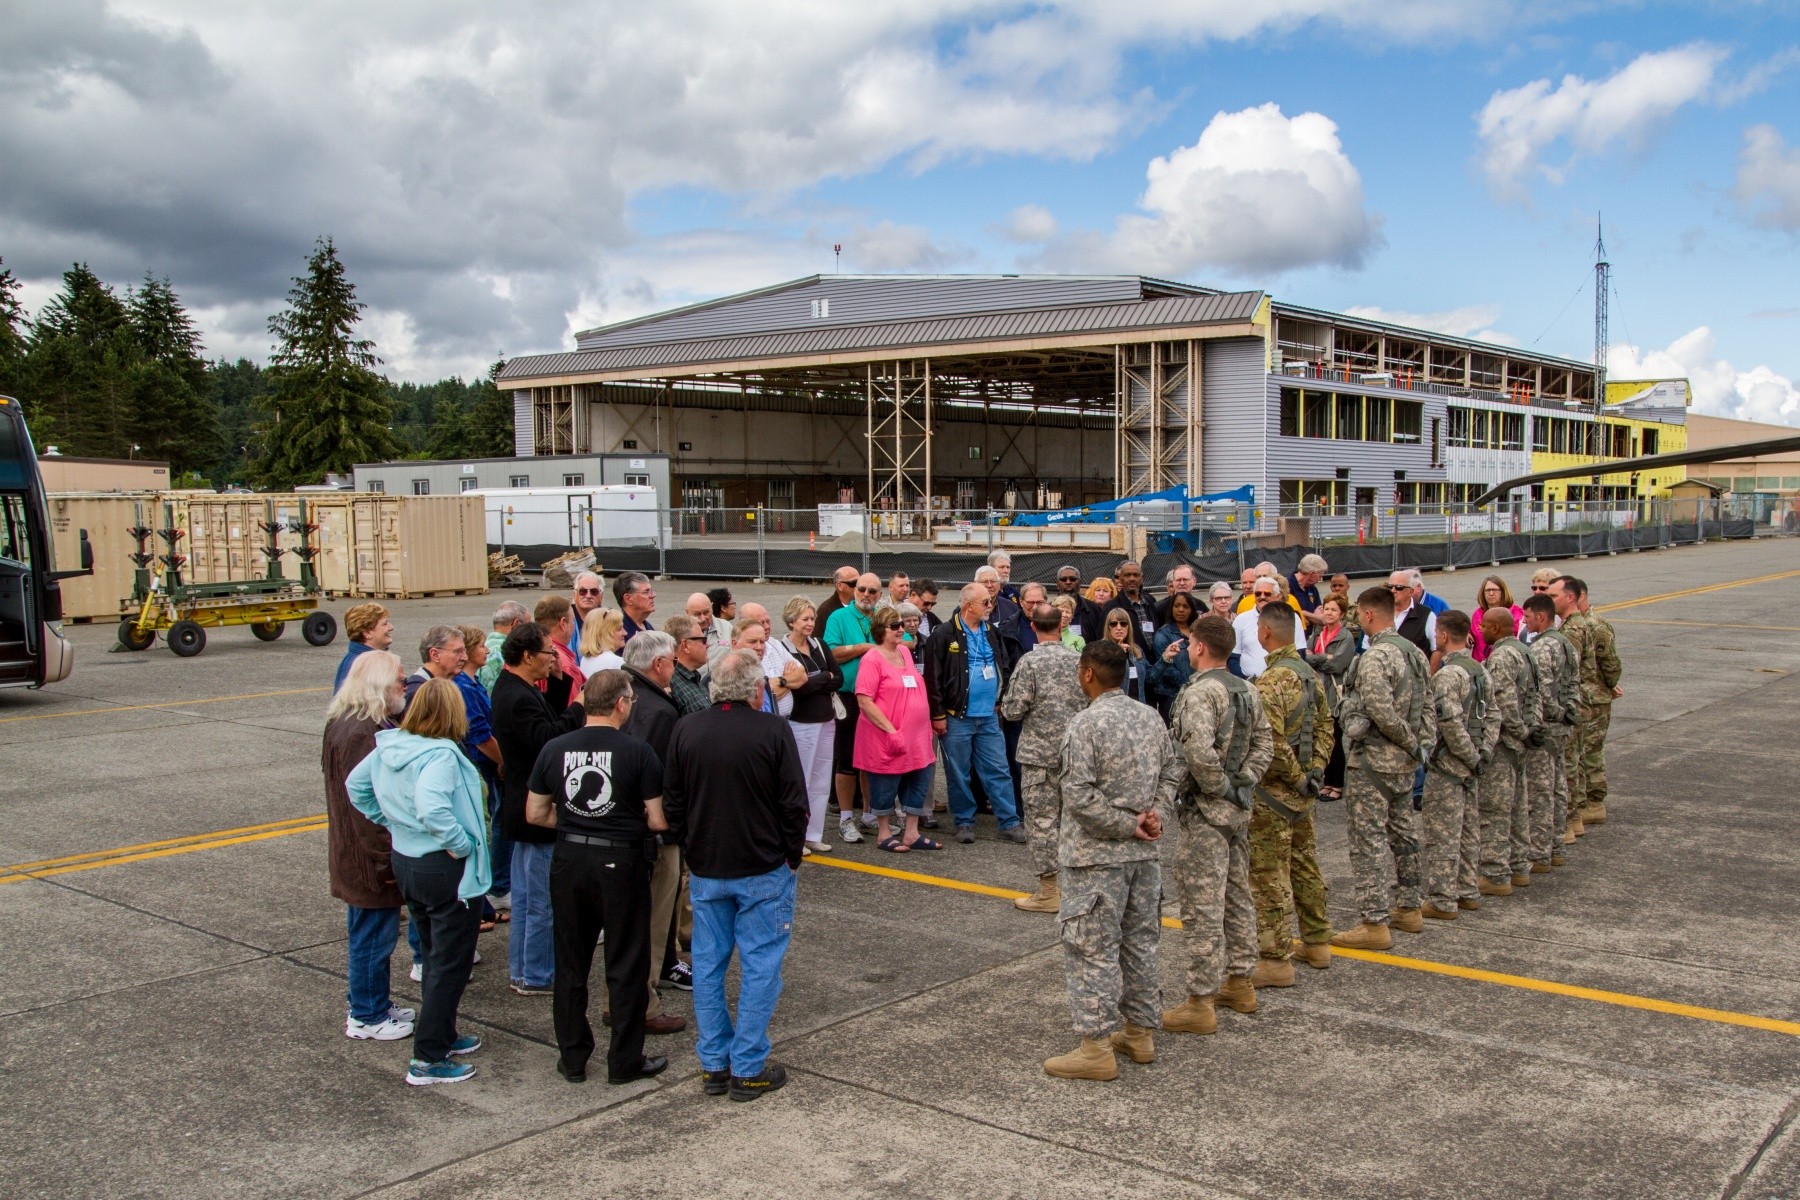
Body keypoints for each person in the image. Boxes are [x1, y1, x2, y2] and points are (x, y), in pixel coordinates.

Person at [663, 650, 808, 1103]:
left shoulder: (687, 728)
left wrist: (692, 847)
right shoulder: (772, 729)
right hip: (763, 866)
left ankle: (714, 1064)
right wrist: (791, 854)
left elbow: (673, 803)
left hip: (708, 867)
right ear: (755, 689)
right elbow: (793, 802)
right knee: (761, 963)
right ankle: (746, 1066)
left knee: (708, 964)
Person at [1043, 639, 1185, 1081]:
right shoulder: (1149, 717)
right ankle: (1140, 1033)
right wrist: (1154, 814)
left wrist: (1130, 825)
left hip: (1096, 859)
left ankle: (1096, 1048)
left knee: (1092, 949)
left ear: (1087, 674)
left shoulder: (1084, 725)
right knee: (1140, 943)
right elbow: (1171, 771)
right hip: (1143, 858)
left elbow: (1079, 796)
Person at [526, 670, 671, 1085]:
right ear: (622, 704)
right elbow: (658, 820)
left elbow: (535, 813)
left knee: (570, 962)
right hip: (621, 862)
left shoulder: (554, 748)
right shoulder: (637, 752)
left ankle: (572, 1057)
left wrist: (577, 823)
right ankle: (624, 1060)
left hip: (569, 859)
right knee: (625, 962)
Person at [346, 677, 491, 1086]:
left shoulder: (390, 745)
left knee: (432, 953)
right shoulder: (441, 755)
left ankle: (441, 1034)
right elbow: (433, 806)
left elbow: (356, 788)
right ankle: (428, 1058)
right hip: (444, 869)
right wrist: (459, 844)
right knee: (451, 963)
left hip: (406, 861)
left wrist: (393, 823)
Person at [1163, 614, 1273, 1036]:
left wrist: (1222, 788)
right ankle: (1240, 981)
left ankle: (1201, 999)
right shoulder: (1247, 688)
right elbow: (1265, 745)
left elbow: (1198, 752)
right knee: (1237, 895)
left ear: (1200, 647)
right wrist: (1244, 784)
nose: (1189, 648)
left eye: (1191, 643)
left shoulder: (1200, 693)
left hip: (1208, 812)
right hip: (1237, 810)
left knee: (1202, 904)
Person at [1330, 586, 1435, 950]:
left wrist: (1407, 740)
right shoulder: (1415, 654)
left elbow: (1380, 711)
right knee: (1404, 834)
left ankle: (1373, 921)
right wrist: (1421, 745)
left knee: (1367, 841)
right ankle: (1409, 906)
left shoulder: (1377, 658)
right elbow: (1428, 705)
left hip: (1374, 762)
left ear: (1369, 615)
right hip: (1404, 765)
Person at [492, 621, 587, 997]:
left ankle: (524, 969)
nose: (553, 658)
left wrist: (563, 683)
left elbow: (544, 720)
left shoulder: (517, 688)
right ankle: (536, 972)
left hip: (522, 805)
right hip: (532, 810)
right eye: (548, 653)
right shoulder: (516, 696)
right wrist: (579, 707)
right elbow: (549, 739)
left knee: (529, 897)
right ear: (527, 656)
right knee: (541, 899)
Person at [323, 649, 413, 1043]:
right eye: (399, 680)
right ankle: (367, 1013)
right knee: (372, 937)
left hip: (355, 852)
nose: (404, 686)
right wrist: (386, 858)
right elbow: (369, 807)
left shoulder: (348, 722)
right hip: (366, 857)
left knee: (370, 933)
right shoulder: (364, 733)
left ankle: (372, 1001)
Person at [1248, 602, 1335, 986]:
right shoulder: (1308, 674)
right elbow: (1325, 726)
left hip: (1274, 796)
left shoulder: (1271, 681)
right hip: (1302, 793)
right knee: (1304, 865)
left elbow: (1269, 741)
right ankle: (1317, 941)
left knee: (1268, 875)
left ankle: (1274, 957)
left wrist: (1298, 777)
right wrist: (1315, 770)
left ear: (1265, 633)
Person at [619, 632, 692, 1032]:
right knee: (651, 921)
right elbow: (659, 776)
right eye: (671, 662)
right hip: (653, 833)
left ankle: (635, 992)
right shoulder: (658, 711)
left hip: (620, 831)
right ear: (660, 665)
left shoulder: (620, 692)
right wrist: (670, 828)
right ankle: (642, 1005)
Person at [921, 582, 1025, 845]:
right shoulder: (944, 634)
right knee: (958, 772)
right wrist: (938, 714)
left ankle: (1009, 821)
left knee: (999, 769)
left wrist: (1000, 698)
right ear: (969, 606)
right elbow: (933, 678)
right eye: (986, 602)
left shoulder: (992, 631)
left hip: (989, 716)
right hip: (957, 717)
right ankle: (964, 821)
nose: (991, 606)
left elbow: (1003, 664)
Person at [1000, 603, 1088, 911]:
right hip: (1075, 754)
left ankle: (1049, 891)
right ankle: (1077, 887)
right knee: (1074, 820)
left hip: (1039, 755)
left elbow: (1012, 710)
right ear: (1061, 627)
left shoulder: (1030, 662)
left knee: (1042, 822)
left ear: (1034, 627)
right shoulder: (1079, 660)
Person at [1421, 612, 1494, 921]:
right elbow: (1494, 715)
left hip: (1450, 766)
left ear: (1442, 636)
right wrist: (1483, 753)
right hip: (1472, 763)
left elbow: (1449, 724)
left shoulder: (1448, 676)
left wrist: (1470, 756)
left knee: (1443, 834)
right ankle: (1467, 890)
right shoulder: (1479, 670)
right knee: (1467, 830)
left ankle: (1442, 898)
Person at [854, 606, 938, 852]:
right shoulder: (872, 659)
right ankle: (883, 833)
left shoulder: (903, 650)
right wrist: (891, 730)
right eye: (895, 626)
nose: (901, 629)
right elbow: (864, 700)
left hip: (916, 736)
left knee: (917, 780)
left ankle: (912, 833)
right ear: (881, 630)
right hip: (887, 734)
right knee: (885, 782)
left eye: (901, 624)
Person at [764, 596, 841, 854]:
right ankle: (796, 834)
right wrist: (819, 678)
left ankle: (814, 834)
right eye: (805, 619)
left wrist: (814, 679)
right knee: (802, 780)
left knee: (821, 781)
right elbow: (799, 686)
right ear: (791, 620)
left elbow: (836, 677)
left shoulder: (818, 644)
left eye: (812, 619)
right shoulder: (783, 649)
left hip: (826, 719)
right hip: (802, 721)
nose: (810, 624)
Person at [1476, 608, 1537, 899]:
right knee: (1518, 805)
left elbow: (1502, 701)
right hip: (1523, 740)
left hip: (1506, 742)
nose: (1480, 629)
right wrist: (1530, 730)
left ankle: (1495, 872)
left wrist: (1517, 731)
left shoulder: (1500, 657)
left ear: (1497, 629)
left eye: (1485, 625)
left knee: (1496, 809)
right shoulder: (1523, 651)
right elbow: (1535, 695)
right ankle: (1520, 865)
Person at [455, 623, 506, 927]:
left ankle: (485, 900)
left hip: (485, 763)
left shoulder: (472, 683)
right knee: (490, 826)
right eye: (481, 646)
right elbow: (480, 735)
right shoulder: (464, 686)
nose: (486, 650)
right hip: (483, 764)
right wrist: (502, 761)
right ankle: (488, 893)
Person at [1524, 592, 1580, 871]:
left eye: (1528, 616)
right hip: (1563, 726)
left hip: (1548, 727)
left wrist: (1552, 716)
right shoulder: (1565, 642)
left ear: (1541, 616)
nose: (1524, 621)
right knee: (1557, 787)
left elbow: (1541, 691)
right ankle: (1556, 845)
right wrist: (1569, 713)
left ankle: (1540, 851)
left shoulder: (1543, 648)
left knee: (1541, 792)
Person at [824, 572, 881, 843]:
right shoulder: (839, 617)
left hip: (878, 699)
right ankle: (846, 818)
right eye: (862, 589)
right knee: (846, 759)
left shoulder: (883, 615)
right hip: (848, 698)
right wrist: (864, 647)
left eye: (872, 591)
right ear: (854, 590)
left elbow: (907, 640)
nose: (866, 594)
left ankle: (869, 815)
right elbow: (831, 651)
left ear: (880, 595)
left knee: (871, 760)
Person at [1549, 574, 1598, 841]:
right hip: (1579, 702)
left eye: (1554, 595)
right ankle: (1575, 818)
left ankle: (1567, 822)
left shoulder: (1573, 630)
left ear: (1570, 597)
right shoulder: (1572, 625)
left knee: (1567, 765)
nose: (1550, 599)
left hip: (1573, 703)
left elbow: (1569, 671)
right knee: (1574, 763)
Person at [1571, 583, 1622, 826]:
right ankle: (1583, 801)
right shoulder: (1573, 625)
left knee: (1590, 752)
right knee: (1580, 753)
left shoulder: (1596, 625)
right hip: (1584, 696)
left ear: (1581, 596)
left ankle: (1594, 802)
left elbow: (1610, 663)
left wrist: (1608, 685)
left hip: (1595, 697)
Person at [1303, 596, 1356, 802]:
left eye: (1334, 610)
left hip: (1335, 694)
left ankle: (1337, 783)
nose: (1328, 613)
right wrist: (1325, 657)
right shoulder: (1317, 633)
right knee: (1320, 739)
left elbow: (1338, 664)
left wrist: (1318, 658)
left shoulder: (1346, 637)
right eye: (1326, 609)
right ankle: (1325, 781)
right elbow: (1304, 657)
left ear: (1341, 613)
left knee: (1334, 739)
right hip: (1317, 692)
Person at [1232, 577, 1303, 679]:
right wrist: (1245, 681)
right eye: (1258, 593)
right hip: (1248, 684)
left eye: (1267, 593)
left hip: (1283, 682)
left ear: (1278, 596)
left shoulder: (1292, 617)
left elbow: (1300, 652)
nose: (1262, 597)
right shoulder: (1241, 619)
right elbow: (1234, 657)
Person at [1149, 590, 1199, 715]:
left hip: (1196, 691)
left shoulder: (1198, 632)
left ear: (1192, 609)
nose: (1180, 610)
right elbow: (1167, 670)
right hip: (1172, 695)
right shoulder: (1163, 634)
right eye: (1177, 606)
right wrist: (1188, 685)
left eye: (1185, 606)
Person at [403, 625, 467, 707]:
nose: (465, 657)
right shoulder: (419, 692)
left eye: (464, 651)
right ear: (435, 655)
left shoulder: (444, 687)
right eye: (458, 651)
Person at [661, 614, 712, 716]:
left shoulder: (693, 679)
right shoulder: (671, 684)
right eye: (703, 640)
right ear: (685, 645)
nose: (708, 645)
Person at [536, 595, 587, 696]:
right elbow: (572, 707)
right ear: (563, 623)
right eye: (573, 621)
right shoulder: (561, 663)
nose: (574, 626)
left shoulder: (534, 653)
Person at [335, 603, 393, 691]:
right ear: (367, 633)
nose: (391, 627)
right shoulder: (365, 665)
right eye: (385, 624)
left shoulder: (353, 658)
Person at [1100, 606, 1150, 704]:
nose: (1119, 628)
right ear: (1108, 627)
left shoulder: (1137, 650)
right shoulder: (1101, 649)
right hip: (1113, 707)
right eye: (1114, 624)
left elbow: (1150, 676)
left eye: (1123, 624)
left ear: (1129, 627)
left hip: (1138, 706)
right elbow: (1102, 680)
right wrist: (1117, 655)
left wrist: (1166, 658)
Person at [479, 601, 531, 693]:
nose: (531, 632)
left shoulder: (486, 646)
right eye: (529, 626)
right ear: (515, 624)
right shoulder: (501, 654)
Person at [1471, 575, 1522, 663]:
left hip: (1504, 662)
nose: (1491, 593)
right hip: (1480, 665)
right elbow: (1472, 634)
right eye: (1487, 590)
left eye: (1494, 590)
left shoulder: (1517, 613)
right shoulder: (1477, 614)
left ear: (1503, 592)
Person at [1110, 561, 1157, 655]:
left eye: (1136, 575)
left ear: (1141, 579)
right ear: (1121, 579)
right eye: (1127, 575)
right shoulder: (1112, 606)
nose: (1132, 579)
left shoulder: (1150, 602)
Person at [1388, 569, 1437, 656]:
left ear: (1411, 592)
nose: (1393, 590)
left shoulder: (1427, 615)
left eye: (1399, 587)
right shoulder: (1379, 612)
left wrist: (1430, 670)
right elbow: (1366, 647)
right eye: (1390, 587)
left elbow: (1437, 650)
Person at [1056, 565, 1104, 642]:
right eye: (1064, 579)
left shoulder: (1094, 609)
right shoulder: (1048, 610)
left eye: (1072, 579)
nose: (1068, 582)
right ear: (1057, 584)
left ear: (1079, 583)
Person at [577, 608, 624, 677]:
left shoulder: (585, 660)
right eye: (619, 629)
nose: (625, 633)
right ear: (604, 633)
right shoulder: (616, 662)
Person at [614, 571, 656, 640]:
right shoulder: (620, 632)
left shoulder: (648, 627)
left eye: (651, 591)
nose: (653, 595)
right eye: (646, 592)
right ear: (628, 599)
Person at [1287, 554, 1328, 624]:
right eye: (1320, 576)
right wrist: (1313, 616)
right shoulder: (1287, 586)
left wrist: (1304, 614)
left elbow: (1322, 619)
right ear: (1312, 574)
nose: (1319, 580)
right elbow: (1290, 615)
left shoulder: (1313, 590)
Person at [570, 572, 606, 650]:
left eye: (594, 591)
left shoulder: (609, 619)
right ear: (574, 595)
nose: (588, 596)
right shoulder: (565, 619)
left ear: (601, 596)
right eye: (583, 591)